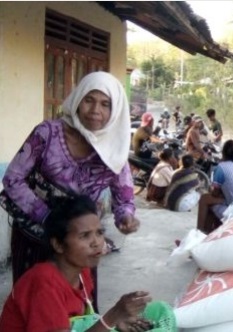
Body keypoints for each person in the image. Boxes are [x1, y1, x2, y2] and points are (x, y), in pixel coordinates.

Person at [0, 72, 140, 295]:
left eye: (105, 104)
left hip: (82, 242)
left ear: (115, 111)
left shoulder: (115, 147)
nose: (95, 110)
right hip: (36, 235)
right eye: (89, 100)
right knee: (33, 301)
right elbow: (12, 179)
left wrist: (126, 217)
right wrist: (48, 218)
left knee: (79, 304)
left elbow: (124, 198)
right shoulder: (48, 133)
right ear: (77, 100)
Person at [0, 195, 151, 331]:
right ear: (58, 244)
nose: (97, 243)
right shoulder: (44, 283)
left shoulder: (82, 273)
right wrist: (112, 317)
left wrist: (117, 322)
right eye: (85, 236)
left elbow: (77, 323)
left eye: (99, 233)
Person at [197, 140, 233, 234]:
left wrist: (214, 192)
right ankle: (208, 232)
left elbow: (215, 193)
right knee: (211, 202)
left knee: (204, 199)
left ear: (223, 153)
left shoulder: (221, 167)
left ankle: (199, 232)